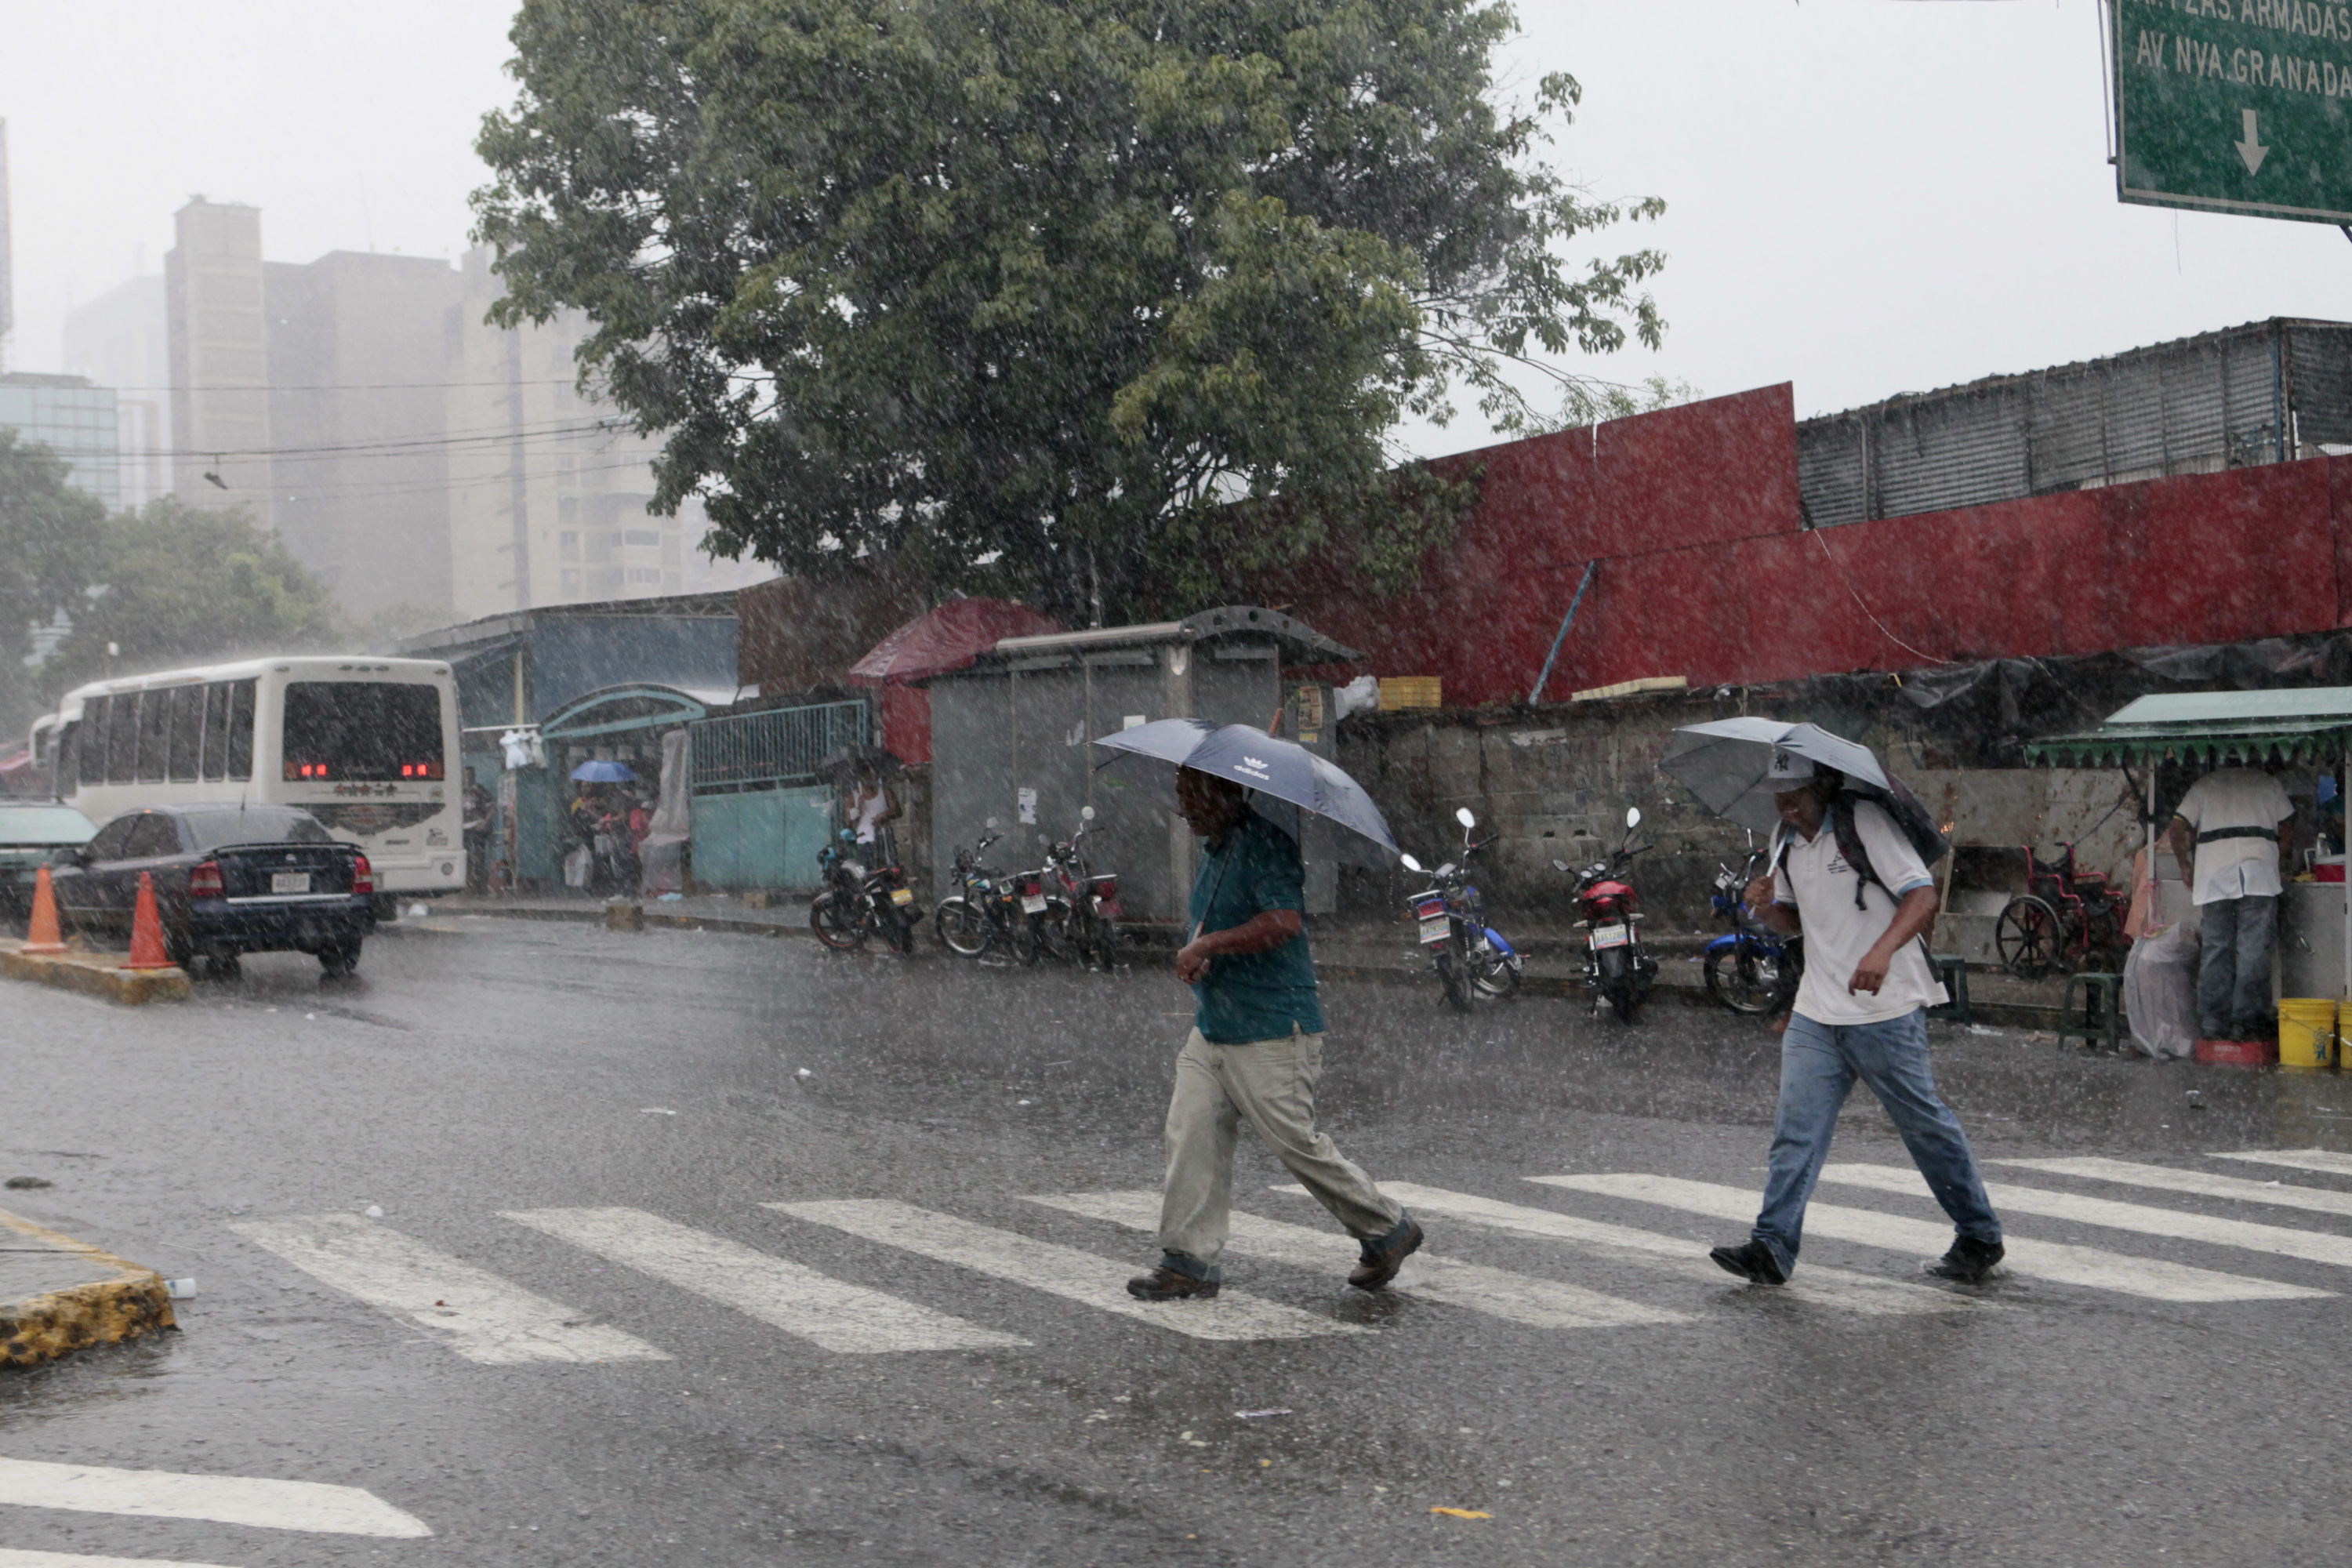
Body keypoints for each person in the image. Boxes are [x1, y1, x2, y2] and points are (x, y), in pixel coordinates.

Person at [1126, 768, 1422, 1301]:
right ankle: (1187, 1260)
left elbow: (1284, 922)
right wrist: (1202, 957)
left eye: (1194, 794)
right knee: (1191, 1132)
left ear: (1228, 793)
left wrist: (1209, 945)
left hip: (1271, 1027)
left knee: (1295, 1145)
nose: (1184, 807)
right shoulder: (1218, 849)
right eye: (1180, 794)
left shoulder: (1266, 844)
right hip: (1215, 1026)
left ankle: (1387, 1229)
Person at [1710, 751, 2005, 1287]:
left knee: (1923, 1126)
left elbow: (1921, 896)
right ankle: (1772, 1247)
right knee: (1796, 1134)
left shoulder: (1863, 822)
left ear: (1822, 787)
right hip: (1818, 1009)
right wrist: (1763, 907)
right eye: (1779, 797)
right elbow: (1796, 922)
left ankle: (1979, 1234)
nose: (1787, 807)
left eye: (1795, 796)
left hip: (1884, 1007)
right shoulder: (1785, 842)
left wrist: (1882, 952)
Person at [2166, 764, 2295, 1044]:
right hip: (2258, 874)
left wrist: (2184, 864)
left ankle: (2213, 1021)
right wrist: (2280, 860)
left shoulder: (2204, 785)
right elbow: (2287, 828)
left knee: (2216, 948)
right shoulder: (2267, 782)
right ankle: (2245, 1021)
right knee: (2253, 948)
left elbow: (2176, 827)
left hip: (2214, 875)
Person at [846, 768, 901, 862]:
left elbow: (898, 812)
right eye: (867, 777)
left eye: (872, 777)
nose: (870, 780)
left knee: (890, 870)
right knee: (868, 873)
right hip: (864, 843)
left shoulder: (885, 792)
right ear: (860, 779)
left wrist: (886, 814)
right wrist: (859, 809)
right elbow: (850, 824)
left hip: (884, 839)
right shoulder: (851, 797)